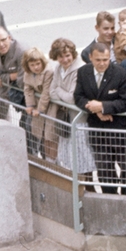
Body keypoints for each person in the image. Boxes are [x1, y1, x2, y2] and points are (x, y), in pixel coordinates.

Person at [76, 41, 126, 192]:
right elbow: (78, 97)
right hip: (97, 129)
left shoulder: (121, 73)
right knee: (104, 169)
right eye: (98, 60)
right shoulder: (83, 72)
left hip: (119, 130)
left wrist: (103, 107)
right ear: (90, 57)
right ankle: (109, 199)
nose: (102, 63)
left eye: (105, 59)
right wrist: (95, 110)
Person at [48, 38, 94, 178]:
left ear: (73, 54)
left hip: (79, 121)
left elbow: (71, 98)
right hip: (67, 121)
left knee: (83, 160)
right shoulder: (58, 68)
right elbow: (51, 92)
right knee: (72, 160)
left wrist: (59, 90)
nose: (65, 59)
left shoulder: (80, 68)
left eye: (67, 55)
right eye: (61, 56)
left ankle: (86, 189)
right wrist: (61, 92)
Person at [21, 47, 57, 160]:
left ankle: (50, 162)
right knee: (33, 131)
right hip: (36, 104)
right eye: (32, 65)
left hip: (47, 106)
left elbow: (46, 92)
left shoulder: (48, 72)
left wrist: (40, 109)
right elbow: (27, 89)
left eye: (38, 63)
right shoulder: (27, 73)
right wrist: (30, 105)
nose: (36, 67)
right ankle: (34, 157)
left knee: (48, 135)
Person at [0, 25, 24, 116]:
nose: (1, 45)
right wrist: (10, 76)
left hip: (23, 88)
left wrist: (6, 77)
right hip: (5, 86)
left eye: (3, 40)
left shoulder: (21, 51)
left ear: (9, 38)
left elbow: (23, 77)